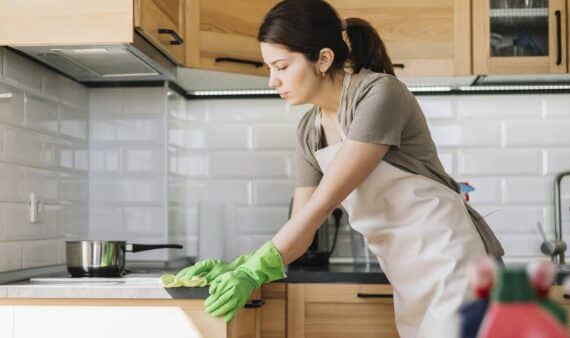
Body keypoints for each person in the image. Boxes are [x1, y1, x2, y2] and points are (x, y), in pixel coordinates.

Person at [165, 0, 504, 336]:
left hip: (456, 262)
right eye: (269, 68)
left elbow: (322, 204)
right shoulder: (309, 132)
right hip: (406, 277)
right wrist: (240, 265)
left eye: (281, 66)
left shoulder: (378, 94)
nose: (272, 81)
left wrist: (256, 267)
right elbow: (302, 227)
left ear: (323, 59)